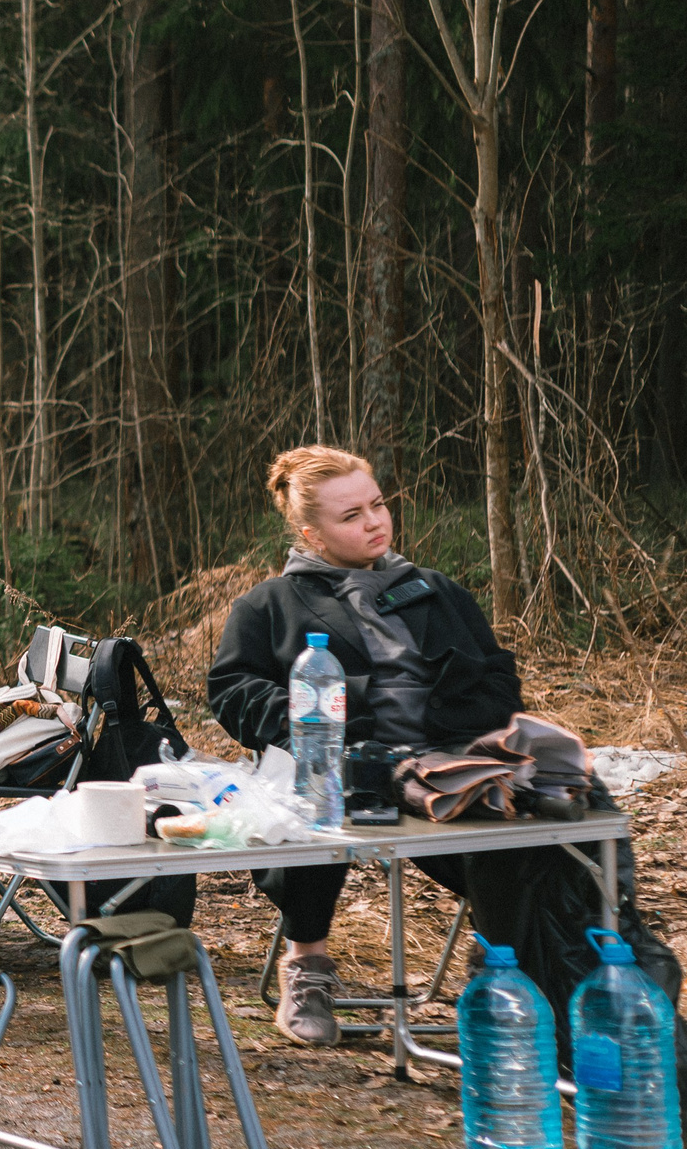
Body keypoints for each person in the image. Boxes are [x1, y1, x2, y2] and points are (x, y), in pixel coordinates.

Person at [207, 446, 537, 1044]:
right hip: (336, 770)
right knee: (311, 802)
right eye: (352, 515)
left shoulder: (438, 592)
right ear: (312, 533)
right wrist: (319, 720)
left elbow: (500, 680)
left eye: (377, 504)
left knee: (534, 834)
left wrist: (451, 726)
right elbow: (231, 691)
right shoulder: (268, 605)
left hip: (443, 772)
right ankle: (306, 966)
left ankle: (501, 972)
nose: (375, 522)